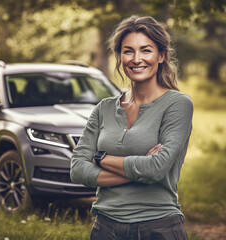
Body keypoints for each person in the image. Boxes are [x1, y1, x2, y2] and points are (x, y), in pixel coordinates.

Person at [70, 15, 193, 240]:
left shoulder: (178, 104)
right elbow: (77, 169)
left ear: (161, 55)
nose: (137, 59)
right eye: (128, 51)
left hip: (158, 226)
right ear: (119, 56)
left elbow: (156, 169)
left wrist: (99, 158)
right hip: (105, 227)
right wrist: (140, 171)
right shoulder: (103, 108)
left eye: (146, 50)